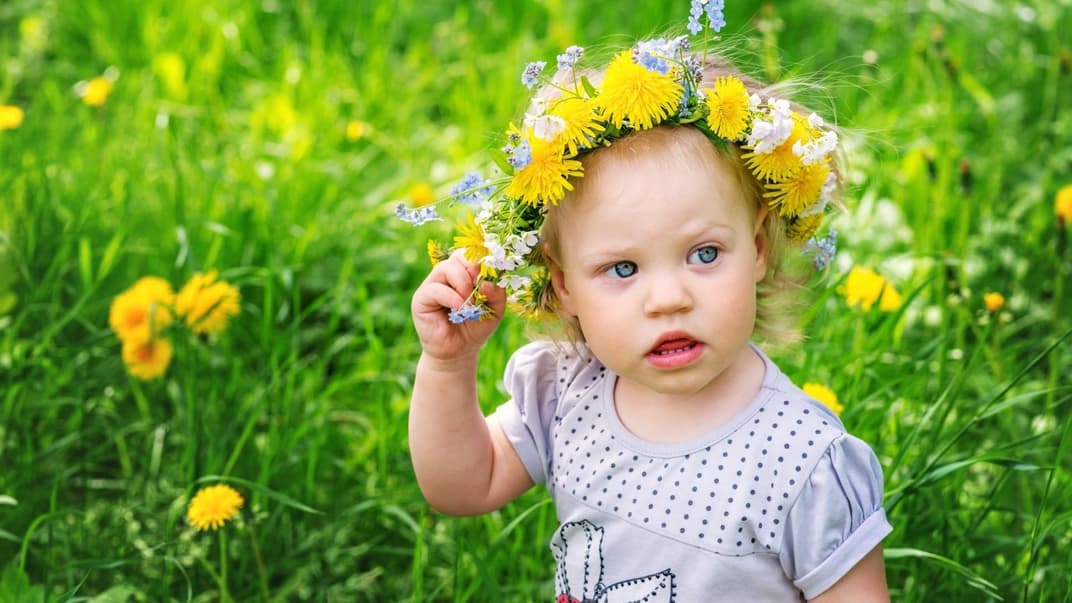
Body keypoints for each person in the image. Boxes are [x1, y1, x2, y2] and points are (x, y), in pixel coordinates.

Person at [405, 8, 891, 601]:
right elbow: (461, 486)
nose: (668, 299)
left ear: (759, 249)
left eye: (705, 254)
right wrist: (449, 365)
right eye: (623, 268)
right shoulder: (567, 394)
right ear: (563, 287)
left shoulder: (801, 462)